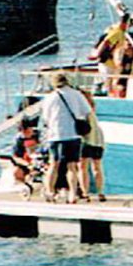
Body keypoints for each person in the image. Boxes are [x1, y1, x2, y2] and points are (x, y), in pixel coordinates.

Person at [40, 72, 91, 203]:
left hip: (55, 134)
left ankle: (50, 192)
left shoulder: (50, 97)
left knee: (54, 164)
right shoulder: (76, 94)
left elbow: (45, 117)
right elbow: (87, 112)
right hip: (73, 134)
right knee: (72, 166)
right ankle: (72, 194)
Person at [79, 91, 106, 202]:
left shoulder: (81, 111)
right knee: (97, 167)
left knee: (83, 167)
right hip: (98, 139)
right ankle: (100, 192)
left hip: (86, 140)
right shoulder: (92, 110)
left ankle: (85, 192)